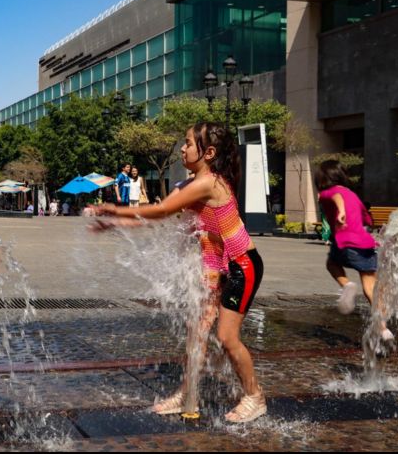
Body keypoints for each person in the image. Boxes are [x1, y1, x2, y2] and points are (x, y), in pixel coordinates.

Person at [91, 122, 267, 423]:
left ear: (208, 153)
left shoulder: (210, 182)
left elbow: (158, 211)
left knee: (226, 336)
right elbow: (165, 214)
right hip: (216, 268)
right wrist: (117, 224)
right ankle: (188, 395)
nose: (182, 149)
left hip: (242, 266)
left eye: (188, 143)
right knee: (196, 334)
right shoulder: (190, 186)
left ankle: (255, 396)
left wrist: (115, 210)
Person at [315, 160, 393, 341]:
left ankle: (347, 285)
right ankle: (383, 329)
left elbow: (336, 197)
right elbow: (367, 218)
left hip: (345, 241)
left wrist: (341, 212)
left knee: (332, 264)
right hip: (365, 244)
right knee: (371, 285)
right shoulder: (353, 195)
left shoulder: (327, 192)